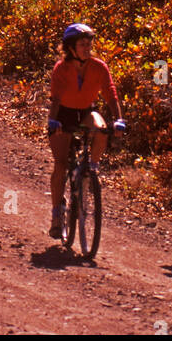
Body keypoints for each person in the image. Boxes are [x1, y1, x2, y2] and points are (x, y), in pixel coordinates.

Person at [47, 23, 126, 239]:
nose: (87, 47)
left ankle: (92, 168)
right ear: (70, 47)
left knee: (101, 130)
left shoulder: (99, 66)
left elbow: (110, 94)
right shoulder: (61, 68)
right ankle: (56, 214)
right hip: (63, 115)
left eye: (89, 43)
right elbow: (56, 99)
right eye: (82, 44)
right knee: (61, 164)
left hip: (86, 112)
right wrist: (53, 122)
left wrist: (118, 119)